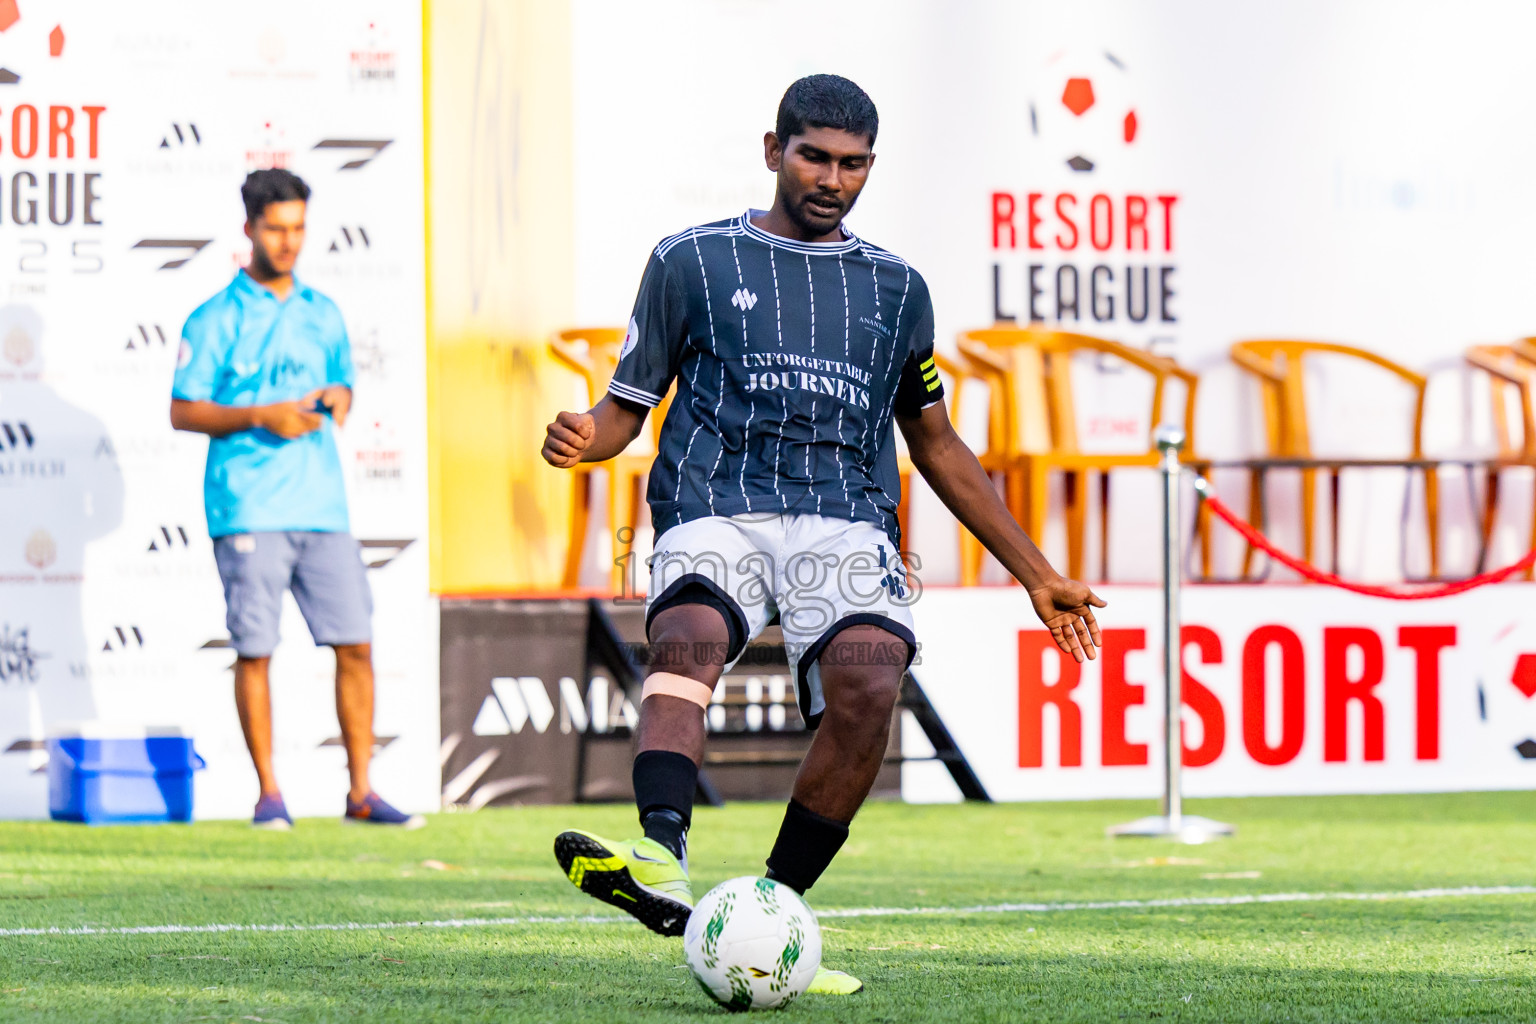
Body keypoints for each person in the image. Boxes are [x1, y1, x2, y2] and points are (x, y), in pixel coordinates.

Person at [541, 75, 1103, 994]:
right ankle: (657, 857)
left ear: (870, 167)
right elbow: (624, 409)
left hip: (844, 514)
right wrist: (582, 438)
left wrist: (1037, 574)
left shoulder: (896, 289)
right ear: (774, 150)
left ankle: (767, 912)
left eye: (852, 164)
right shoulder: (690, 259)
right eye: (814, 156)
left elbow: (936, 441)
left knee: (871, 683)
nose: (832, 178)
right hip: (716, 497)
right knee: (689, 640)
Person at [170, 169, 423, 831]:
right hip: (248, 504)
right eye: (275, 228)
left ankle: (362, 792)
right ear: (249, 228)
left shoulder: (323, 312)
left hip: (323, 506)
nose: (288, 242)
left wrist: (341, 397)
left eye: (298, 228)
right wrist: (261, 415)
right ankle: (269, 795)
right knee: (256, 649)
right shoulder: (214, 316)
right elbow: (182, 410)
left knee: (357, 644)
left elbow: (340, 382)